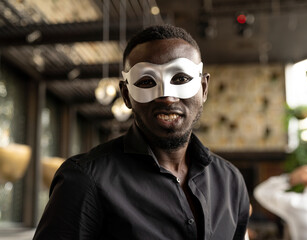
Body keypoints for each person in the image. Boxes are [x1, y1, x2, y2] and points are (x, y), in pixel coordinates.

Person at [33, 24, 250, 240]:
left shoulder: (231, 182)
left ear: (203, 88)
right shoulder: (84, 180)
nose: (167, 97)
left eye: (181, 78)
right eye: (147, 81)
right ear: (126, 95)